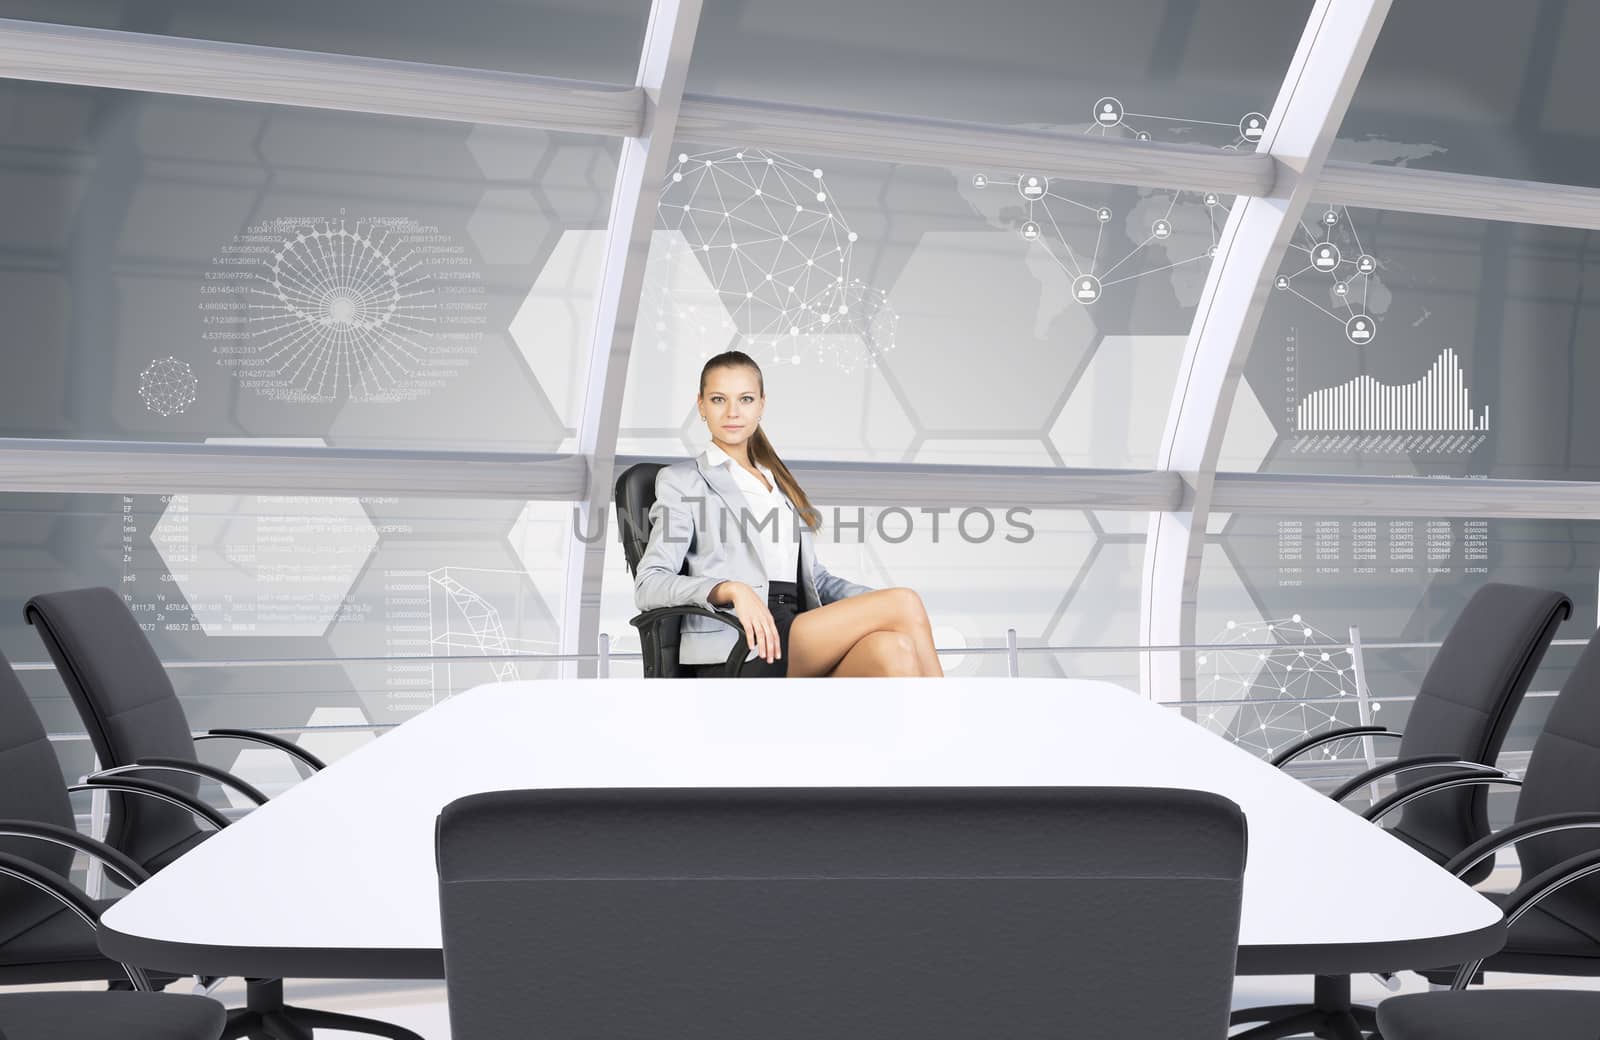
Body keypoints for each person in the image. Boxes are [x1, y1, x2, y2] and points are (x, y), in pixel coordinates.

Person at [633, 349, 943, 679]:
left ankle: (921, 729)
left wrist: (875, 605)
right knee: (905, 603)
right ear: (701, 406)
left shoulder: (774, 482)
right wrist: (730, 589)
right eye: (719, 399)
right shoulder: (684, 481)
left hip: (799, 627)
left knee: (895, 648)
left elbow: (816, 580)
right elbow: (649, 584)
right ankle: (955, 723)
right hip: (744, 641)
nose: (733, 412)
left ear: (762, 405)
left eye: (746, 399)